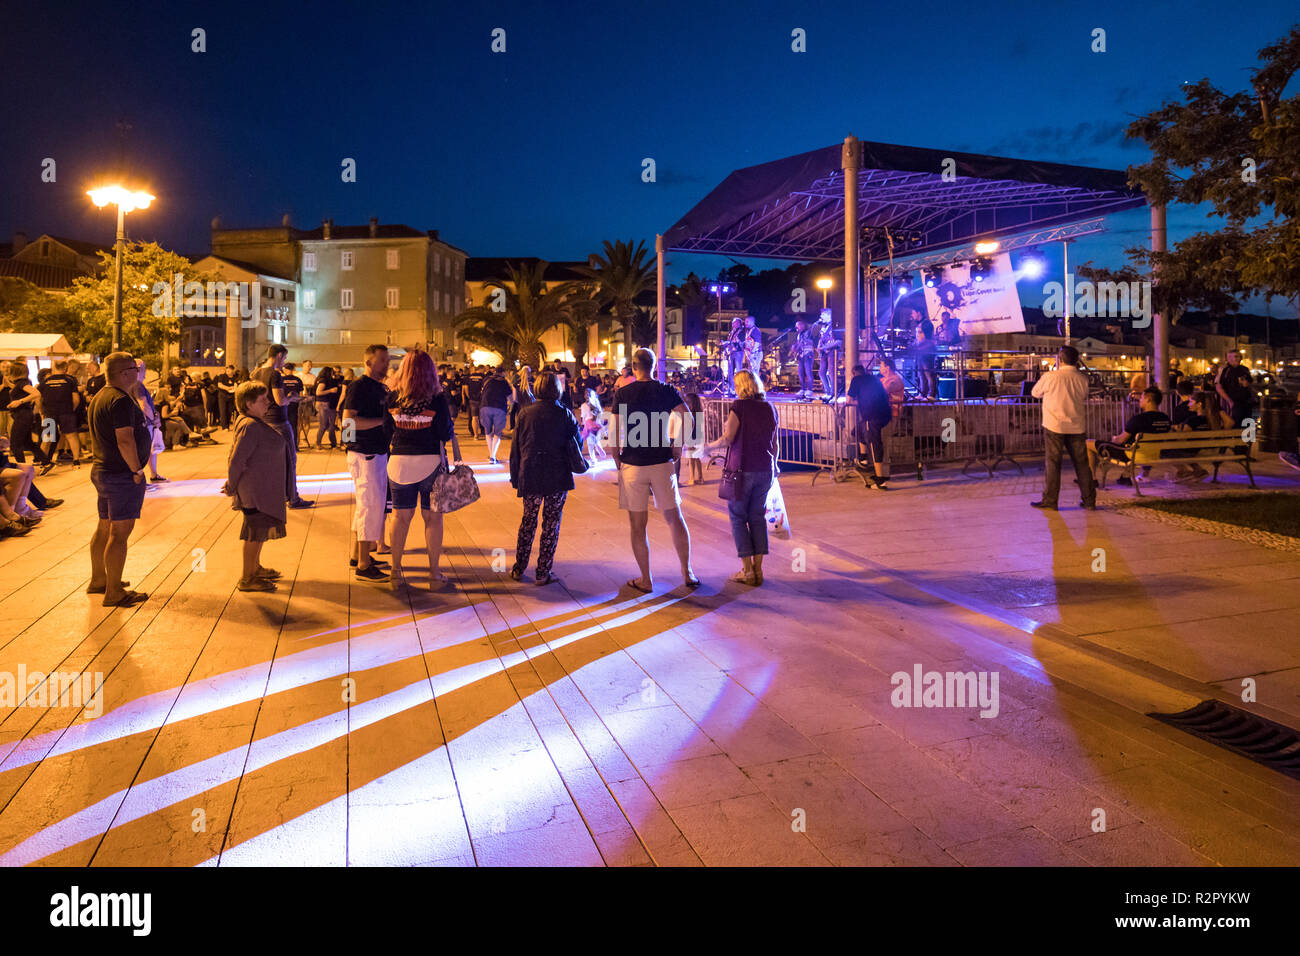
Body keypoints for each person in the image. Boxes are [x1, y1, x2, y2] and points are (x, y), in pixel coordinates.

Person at [610, 348, 698, 592]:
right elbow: (689, 417)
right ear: (654, 365)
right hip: (662, 462)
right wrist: (677, 446)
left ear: (634, 367)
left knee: (638, 525)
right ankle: (687, 572)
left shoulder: (623, 393)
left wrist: (618, 460)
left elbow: (615, 431)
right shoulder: (666, 390)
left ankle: (646, 580)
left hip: (633, 464)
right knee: (674, 517)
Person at [385, 350, 458, 587]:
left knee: (399, 517)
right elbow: (444, 433)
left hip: (399, 463)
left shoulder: (393, 397)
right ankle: (434, 575)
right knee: (433, 520)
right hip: (430, 464)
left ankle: (395, 573)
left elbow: (386, 429)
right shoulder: (437, 399)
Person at [87, 352, 151, 607]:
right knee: (119, 533)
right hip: (121, 475)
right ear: (124, 373)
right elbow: (125, 439)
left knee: (104, 527)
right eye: (135, 368)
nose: (138, 372)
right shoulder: (120, 401)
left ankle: (99, 580)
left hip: (103, 471)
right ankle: (114, 591)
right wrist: (136, 470)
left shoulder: (100, 396)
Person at [702, 369, 778, 586]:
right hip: (765, 469)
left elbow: (728, 438)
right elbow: (775, 443)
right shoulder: (769, 408)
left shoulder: (739, 407)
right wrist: (776, 464)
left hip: (742, 470)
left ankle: (747, 571)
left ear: (741, 386)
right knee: (757, 518)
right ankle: (758, 570)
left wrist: (709, 447)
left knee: (738, 518)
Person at [506, 371, 581, 585]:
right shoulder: (565, 414)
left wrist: (515, 476)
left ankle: (519, 568)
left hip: (531, 472)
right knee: (551, 523)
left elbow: (515, 449)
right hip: (557, 475)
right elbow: (577, 444)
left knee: (528, 521)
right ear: (557, 389)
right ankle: (542, 572)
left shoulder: (524, 414)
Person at [224, 381, 289, 592]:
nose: (268, 402)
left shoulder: (253, 422)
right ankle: (247, 578)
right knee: (254, 533)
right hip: (255, 492)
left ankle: (255, 568)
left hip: (261, 489)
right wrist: (232, 485)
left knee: (259, 532)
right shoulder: (250, 425)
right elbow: (236, 459)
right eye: (263, 399)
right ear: (249, 403)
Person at [342, 344, 392, 581]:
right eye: (382, 360)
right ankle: (363, 565)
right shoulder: (358, 387)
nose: (387, 364)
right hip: (365, 454)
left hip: (376, 453)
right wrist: (381, 423)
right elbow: (347, 425)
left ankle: (357, 556)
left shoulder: (380, 388)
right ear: (369, 362)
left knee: (370, 504)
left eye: (388, 359)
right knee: (369, 506)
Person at [1030, 346, 1096, 510]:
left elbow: (1035, 393)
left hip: (1054, 425)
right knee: (1082, 464)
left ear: (1060, 359)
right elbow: (1083, 396)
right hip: (1076, 425)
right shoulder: (1082, 379)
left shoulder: (1051, 376)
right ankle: (1089, 500)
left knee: (1053, 463)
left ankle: (1050, 500)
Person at [253, 344, 311, 508]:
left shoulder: (256, 373)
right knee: (290, 460)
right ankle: (293, 498)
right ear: (279, 355)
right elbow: (280, 401)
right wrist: (291, 397)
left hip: (262, 420)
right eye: (284, 358)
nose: (284, 361)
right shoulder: (274, 374)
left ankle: (269, 497)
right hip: (278, 421)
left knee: (269, 461)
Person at [1087, 386, 1171, 485]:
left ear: (1148, 400)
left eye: (1142, 397)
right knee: (1132, 444)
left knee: (1088, 443)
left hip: (1133, 455)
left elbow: (1120, 440)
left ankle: (1091, 479)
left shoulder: (1138, 419)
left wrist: (1113, 439)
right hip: (1154, 454)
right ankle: (1125, 476)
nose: (1140, 400)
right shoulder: (1166, 419)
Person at [847, 364, 892, 490]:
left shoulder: (856, 380)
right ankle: (863, 458)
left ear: (853, 374)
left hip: (873, 415)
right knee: (857, 430)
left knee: (874, 444)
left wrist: (859, 402)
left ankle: (880, 480)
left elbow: (849, 400)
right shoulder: (873, 378)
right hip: (885, 413)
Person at [3, 361, 51, 472]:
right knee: (27, 443)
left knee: (15, 445)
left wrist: (19, 402)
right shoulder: (22, 383)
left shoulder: (22, 383)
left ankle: (23, 470)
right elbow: (20, 390)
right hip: (24, 415)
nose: (7, 371)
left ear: (14, 372)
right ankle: (46, 462)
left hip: (22, 416)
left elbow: (36, 394)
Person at [38, 358, 84, 466]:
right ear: (65, 368)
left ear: (54, 367)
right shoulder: (70, 381)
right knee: (71, 436)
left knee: (47, 438)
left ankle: (43, 462)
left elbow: (38, 398)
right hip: (66, 412)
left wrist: (42, 410)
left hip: (49, 413)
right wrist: (71, 409)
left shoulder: (45, 381)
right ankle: (76, 461)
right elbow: (76, 399)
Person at [134, 358, 168, 482]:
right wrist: (154, 419)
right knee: (145, 450)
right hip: (145, 423)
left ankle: (153, 475)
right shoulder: (137, 385)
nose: (144, 370)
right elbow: (143, 405)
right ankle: (142, 478)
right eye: (142, 367)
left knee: (150, 450)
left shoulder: (137, 384)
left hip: (146, 422)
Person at [479, 365, 512, 464]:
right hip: (499, 408)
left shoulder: (487, 380)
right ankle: (493, 456)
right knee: (497, 433)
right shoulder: (504, 382)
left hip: (485, 407)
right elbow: (511, 399)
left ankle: (491, 456)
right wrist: (510, 406)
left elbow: (482, 392)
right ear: (503, 373)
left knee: (488, 432)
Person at [1215, 349, 1255, 427]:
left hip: (1245, 401)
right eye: (1235, 357)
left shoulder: (1245, 369)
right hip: (1233, 402)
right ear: (1228, 358)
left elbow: (1249, 383)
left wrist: (1247, 385)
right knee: (1235, 424)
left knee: (1247, 424)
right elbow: (1218, 386)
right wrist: (1229, 401)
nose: (1238, 359)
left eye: (1239, 356)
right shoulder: (1224, 370)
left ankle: (1248, 438)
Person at [314, 366, 342, 448]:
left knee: (330, 425)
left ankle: (333, 443)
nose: (333, 374)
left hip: (328, 404)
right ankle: (318, 443)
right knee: (323, 425)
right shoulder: (323, 380)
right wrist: (330, 390)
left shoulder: (324, 380)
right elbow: (318, 392)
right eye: (332, 372)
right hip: (323, 403)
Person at [815, 310, 840, 400]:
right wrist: (819, 346)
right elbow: (821, 338)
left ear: (829, 315)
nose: (821, 316)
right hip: (824, 352)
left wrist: (824, 347)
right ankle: (828, 391)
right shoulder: (823, 327)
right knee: (821, 372)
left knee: (831, 372)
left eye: (823, 314)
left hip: (832, 352)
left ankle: (833, 393)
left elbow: (838, 341)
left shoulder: (834, 326)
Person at [913, 319, 938, 399]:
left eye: (920, 332)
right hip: (921, 355)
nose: (917, 335)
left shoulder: (929, 343)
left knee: (928, 374)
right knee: (922, 375)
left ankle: (931, 394)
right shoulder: (921, 342)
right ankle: (923, 393)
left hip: (926, 355)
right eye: (917, 332)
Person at [793, 319, 816, 400]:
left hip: (808, 354)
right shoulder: (799, 335)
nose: (796, 327)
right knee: (801, 373)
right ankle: (802, 389)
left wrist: (796, 347)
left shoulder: (808, 332)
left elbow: (809, 341)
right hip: (801, 355)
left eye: (798, 325)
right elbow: (798, 343)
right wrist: (794, 348)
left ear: (802, 325)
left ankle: (809, 390)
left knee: (808, 372)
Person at [462, 365, 485, 439]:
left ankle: (476, 435)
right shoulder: (483, 377)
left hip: (472, 399)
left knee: (474, 417)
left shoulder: (468, 377)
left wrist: (469, 397)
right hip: (481, 399)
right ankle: (484, 432)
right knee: (483, 417)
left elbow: (465, 389)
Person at [215, 364, 237, 429]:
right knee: (223, 411)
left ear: (233, 370)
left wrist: (234, 388)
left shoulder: (235, 377)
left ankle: (227, 425)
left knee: (229, 411)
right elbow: (219, 384)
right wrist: (228, 388)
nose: (227, 370)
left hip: (231, 396)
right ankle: (224, 427)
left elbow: (236, 384)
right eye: (227, 369)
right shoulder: (222, 376)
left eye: (229, 369)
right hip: (223, 395)